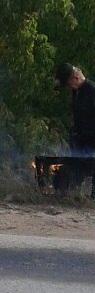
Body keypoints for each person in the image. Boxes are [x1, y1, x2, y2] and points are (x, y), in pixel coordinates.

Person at [55, 63, 95, 194]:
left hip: (91, 142)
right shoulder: (76, 93)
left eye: (68, 83)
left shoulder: (91, 91)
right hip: (80, 143)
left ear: (76, 77)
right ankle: (69, 195)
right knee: (77, 170)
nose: (68, 87)